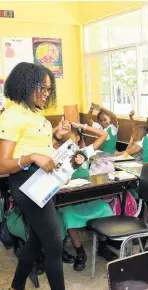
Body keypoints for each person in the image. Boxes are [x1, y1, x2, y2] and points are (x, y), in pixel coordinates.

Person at [0, 62, 65, 290]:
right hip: (26, 183)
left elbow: (40, 149)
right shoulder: (12, 115)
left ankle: (15, 286)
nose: (47, 94)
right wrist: (30, 158)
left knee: (38, 239)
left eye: (49, 89)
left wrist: (57, 137)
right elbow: (2, 164)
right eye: (43, 88)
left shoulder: (36, 113)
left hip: (44, 181)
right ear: (27, 86)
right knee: (55, 245)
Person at [57, 122, 114, 271]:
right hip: (70, 201)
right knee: (68, 216)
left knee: (105, 208)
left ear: (78, 138)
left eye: (71, 140)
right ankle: (80, 252)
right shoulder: (59, 159)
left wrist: (83, 126)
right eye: (64, 142)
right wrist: (57, 130)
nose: (68, 144)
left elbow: (104, 135)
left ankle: (102, 246)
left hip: (89, 198)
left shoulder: (85, 153)